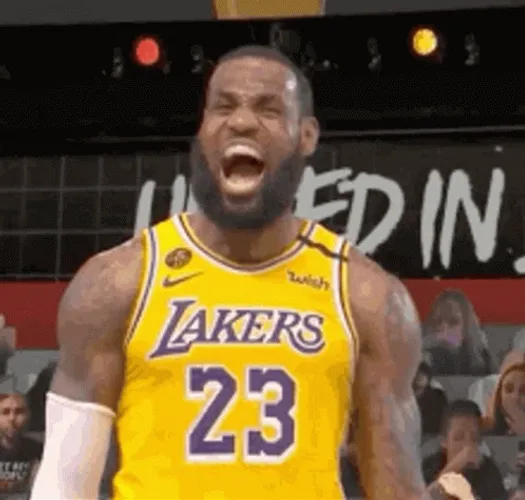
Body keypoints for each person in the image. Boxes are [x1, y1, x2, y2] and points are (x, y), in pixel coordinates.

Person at [32, 45, 459, 500]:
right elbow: (62, 486)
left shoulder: (365, 294)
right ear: (202, 128)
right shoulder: (117, 282)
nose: (241, 122)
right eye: (223, 106)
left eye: (268, 109)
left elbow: (396, 488)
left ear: (306, 135)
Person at [422, 399, 506, 500]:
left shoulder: (487, 469)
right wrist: (453, 468)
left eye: (474, 438)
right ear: (443, 441)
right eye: (458, 438)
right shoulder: (429, 467)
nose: (467, 445)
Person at [423, 289, 494, 376]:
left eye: (453, 322)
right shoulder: (426, 355)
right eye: (438, 321)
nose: (443, 328)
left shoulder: (481, 357)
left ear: (466, 326)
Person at [0, 393, 42, 496]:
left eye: (18, 411)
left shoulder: (37, 450)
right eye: (5, 412)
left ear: (28, 415)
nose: (12, 418)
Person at [484, 350, 525, 435]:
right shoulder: (482, 433)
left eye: (524, 392)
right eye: (509, 390)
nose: (515, 397)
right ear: (499, 396)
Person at [414, 360, 448, 435]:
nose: (419, 377)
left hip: (432, 435)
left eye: (423, 374)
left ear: (428, 377)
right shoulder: (402, 396)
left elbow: (443, 420)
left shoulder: (438, 396)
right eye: (416, 374)